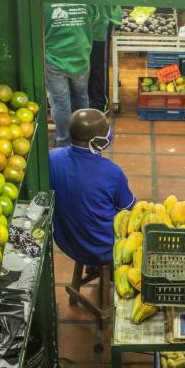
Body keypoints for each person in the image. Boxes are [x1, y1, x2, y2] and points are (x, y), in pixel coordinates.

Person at [49, 108, 135, 266]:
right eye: (105, 130)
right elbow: (129, 208)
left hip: (68, 242)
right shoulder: (112, 173)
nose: (109, 133)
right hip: (103, 249)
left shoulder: (52, 158)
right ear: (94, 141)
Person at [44, 2, 95, 147]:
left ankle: (64, 143)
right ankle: (83, 140)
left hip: (54, 58)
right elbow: (95, 19)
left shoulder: (44, 1)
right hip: (80, 56)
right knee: (81, 97)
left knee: (60, 103)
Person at [88, 5, 122, 112]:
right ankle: (87, 101)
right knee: (84, 65)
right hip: (80, 25)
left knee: (98, 66)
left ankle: (99, 104)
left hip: (99, 26)